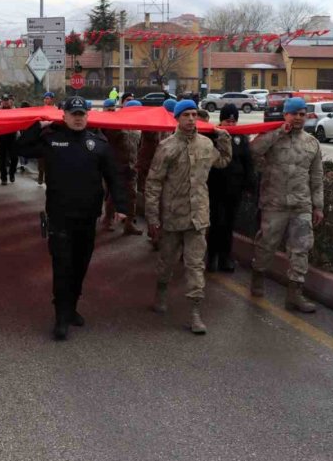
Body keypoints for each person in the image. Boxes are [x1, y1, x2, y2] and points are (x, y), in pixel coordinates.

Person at [16, 96, 127, 340]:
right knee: (62, 266)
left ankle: (72, 307)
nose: (78, 118)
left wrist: (121, 205)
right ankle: (61, 316)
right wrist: (38, 126)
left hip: (87, 217)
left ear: (87, 116)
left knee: (80, 265)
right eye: (73, 114)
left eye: (81, 114)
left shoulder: (98, 143)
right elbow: (21, 148)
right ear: (64, 116)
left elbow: (114, 176)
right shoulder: (52, 140)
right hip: (60, 216)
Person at [145, 100, 232, 335]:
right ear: (177, 118)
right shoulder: (167, 147)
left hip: (198, 217)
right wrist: (152, 217)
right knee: (167, 262)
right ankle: (161, 291)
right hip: (173, 216)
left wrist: (224, 139)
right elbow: (153, 183)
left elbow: (223, 161)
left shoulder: (206, 144)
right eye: (186, 115)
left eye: (194, 114)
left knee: (195, 265)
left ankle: (194, 312)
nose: (191, 119)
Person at [249, 97, 323, 312]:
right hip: (274, 203)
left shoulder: (311, 143)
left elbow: (317, 176)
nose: (298, 117)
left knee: (301, 248)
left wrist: (318, 206)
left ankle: (294, 295)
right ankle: (258, 276)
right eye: (294, 114)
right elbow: (254, 151)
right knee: (266, 245)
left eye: (302, 114)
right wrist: (279, 132)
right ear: (285, 115)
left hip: (301, 205)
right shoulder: (272, 136)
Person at [206, 104, 254, 272]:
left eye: (234, 121)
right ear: (221, 120)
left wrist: (249, 184)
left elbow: (248, 162)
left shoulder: (241, 138)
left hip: (234, 189)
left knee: (229, 224)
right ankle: (211, 257)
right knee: (216, 223)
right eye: (228, 121)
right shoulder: (212, 136)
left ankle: (225, 258)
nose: (231, 124)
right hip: (215, 187)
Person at [102, 101, 142, 235]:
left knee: (132, 196)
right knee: (114, 195)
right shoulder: (116, 126)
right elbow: (107, 143)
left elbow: (138, 146)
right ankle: (108, 219)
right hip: (117, 166)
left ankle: (129, 224)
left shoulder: (138, 128)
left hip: (132, 166)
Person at [0, 95, 19, 185]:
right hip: (1, 137)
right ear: (1, 101)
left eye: (7, 100)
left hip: (12, 137)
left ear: (10, 101)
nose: (5, 102)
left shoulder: (15, 111)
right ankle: (3, 177)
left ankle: (12, 173)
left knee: (14, 157)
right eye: (4, 100)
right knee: (2, 159)